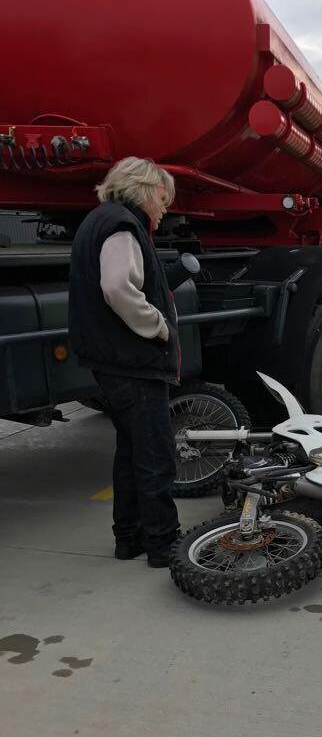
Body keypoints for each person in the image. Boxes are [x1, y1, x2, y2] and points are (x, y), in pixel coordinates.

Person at [68, 157, 181, 567]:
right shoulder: (122, 225)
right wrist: (159, 327)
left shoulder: (99, 220)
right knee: (156, 455)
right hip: (132, 361)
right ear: (145, 190)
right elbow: (117, 287)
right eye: (163, 199)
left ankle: (128, 538)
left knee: (131, 453)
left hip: (112, 360)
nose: (164, 208)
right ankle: (164, 544)